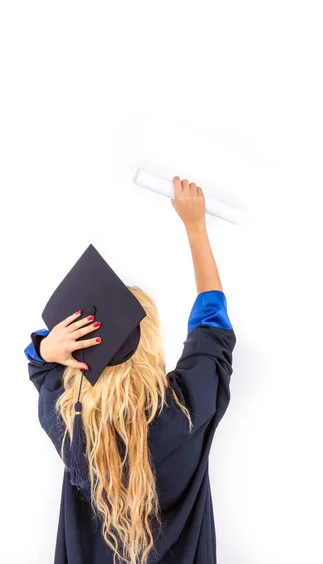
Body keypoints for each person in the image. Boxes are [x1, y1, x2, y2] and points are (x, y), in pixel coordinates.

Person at [25, 176, 236, 564]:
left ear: (83, 359)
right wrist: (196, 227)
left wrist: (44, 348)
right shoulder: (188, 408)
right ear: (153, 342)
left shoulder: (70, 424)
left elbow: (42, 367)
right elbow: (214, 328)